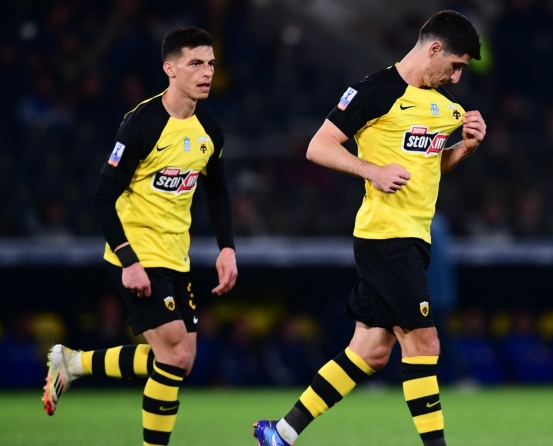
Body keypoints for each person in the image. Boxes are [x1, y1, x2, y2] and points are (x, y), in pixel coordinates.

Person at [253, 10, 485, 446]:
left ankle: (280, 433)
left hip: (413, 238)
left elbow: (429, 169)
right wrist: (372, 170)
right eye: (455, 65)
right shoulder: (374, 91)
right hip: (387, 237)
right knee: (425, 344)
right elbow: (318, 147)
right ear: (434, 49)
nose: (457, 77)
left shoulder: (446, 108)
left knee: (371, 351)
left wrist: (465, 147)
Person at [42, 27, 238, 446]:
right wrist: (129, 261)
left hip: (176, 255)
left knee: (180, 361)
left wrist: (227, 248)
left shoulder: (210, 129)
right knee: (175, 355)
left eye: (211, 63)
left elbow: (218, 189)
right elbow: (102, 200)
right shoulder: (141, 125)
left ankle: (73, 364)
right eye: (195, 63)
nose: (207, 72)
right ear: (170, 69)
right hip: (137, 253)